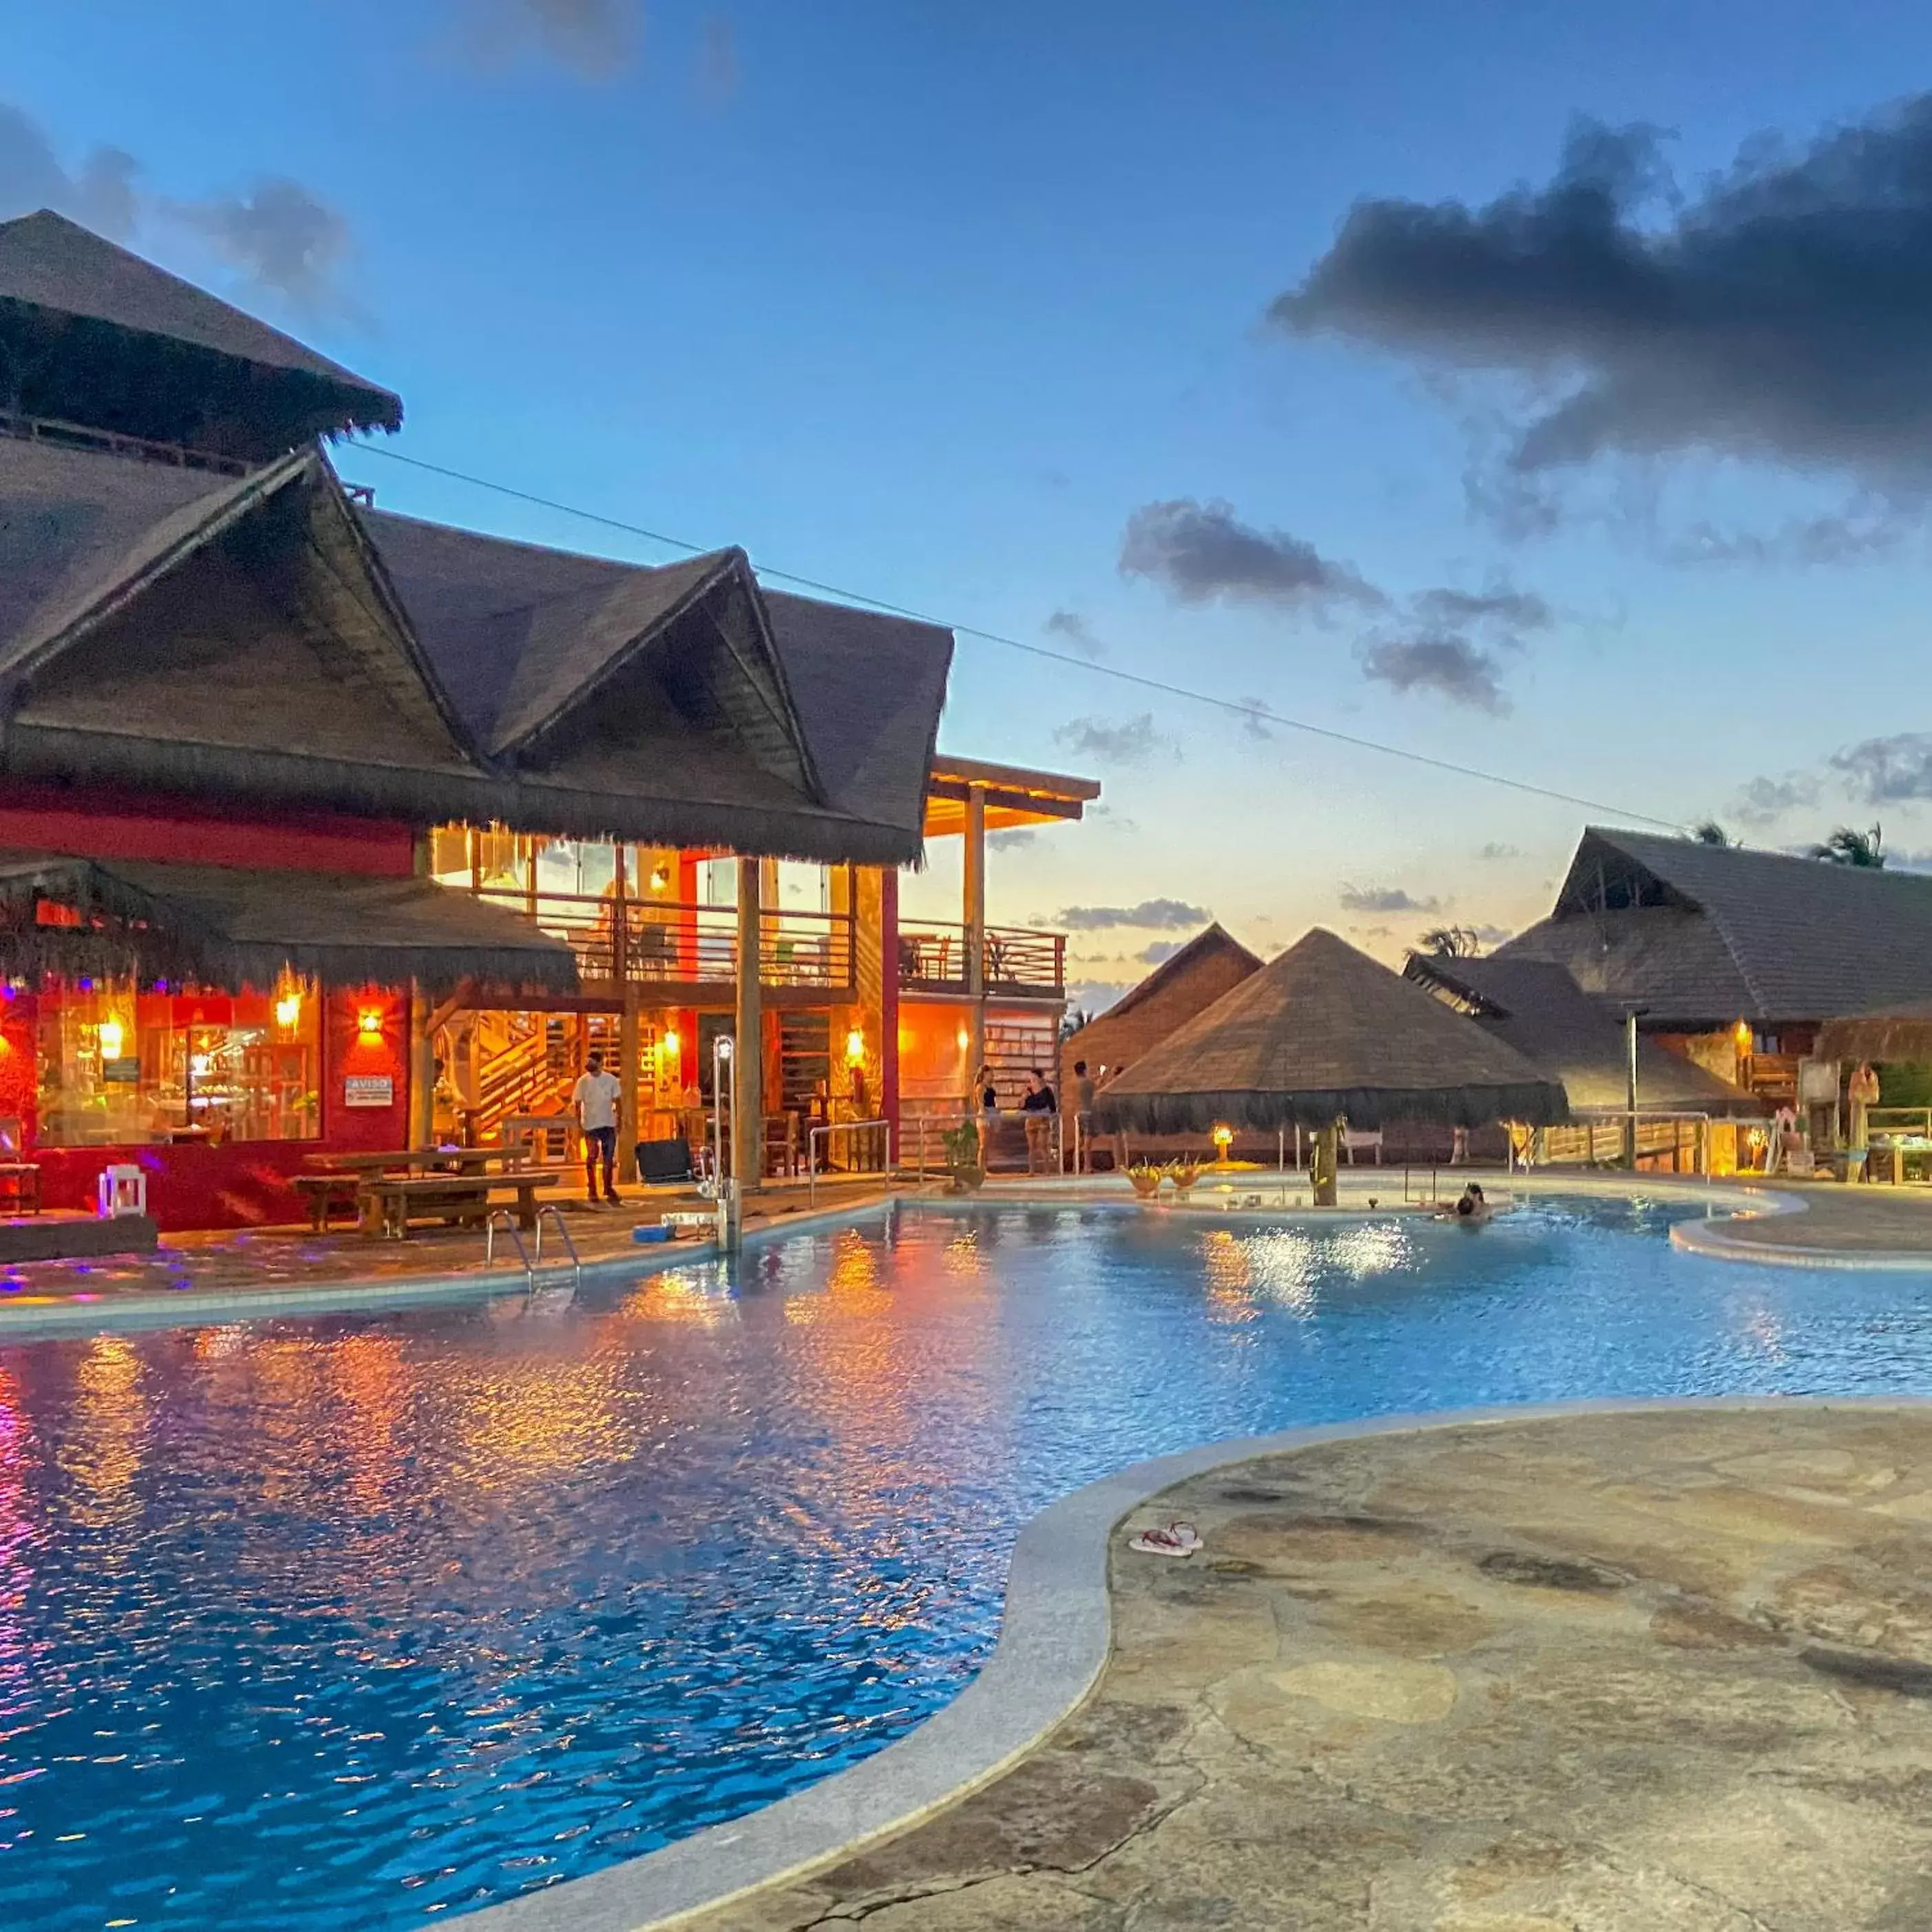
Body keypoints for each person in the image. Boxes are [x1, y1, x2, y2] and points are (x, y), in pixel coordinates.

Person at [571, 1048, 624, 1207]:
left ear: (601, 1063)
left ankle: (608, 1187)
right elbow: (578, 1103)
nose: (589, 1064)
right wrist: (578, 1124)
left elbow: (618, 1101)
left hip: (607, 1123)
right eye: (588, 1061)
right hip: (590, 1124)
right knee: (592, 1157)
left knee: (608, 1158)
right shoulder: (583, 1081)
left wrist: (619, 1120)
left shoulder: (611, 1080)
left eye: (593, 1061)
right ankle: (592, 1189)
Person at [1021, 1066, 1058, 1174]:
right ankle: (1031, 1170)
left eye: (1034, 1076)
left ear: (1039, 1077)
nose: (1032, 1079)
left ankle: (1047, 1170)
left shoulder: (1046, 1090)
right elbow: (1022, 1106)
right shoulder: (1028, 1090)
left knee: (1043, 1145)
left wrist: (1049, 1115)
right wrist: (1024, 1097)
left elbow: (1052, 1106)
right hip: (1031, 1118)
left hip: (1043, 1119)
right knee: (1031, 1147)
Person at [1072, 1059, 1096, 1171]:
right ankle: (1087, 1166)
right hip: (1088, 1113)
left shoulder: (1075, 1083)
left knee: (1079, 1141)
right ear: (1084, 1070)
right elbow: (1097, 1089)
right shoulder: (1087, 1082)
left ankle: (1075, 1165)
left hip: (1078, 1113)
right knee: (1088, 1141)